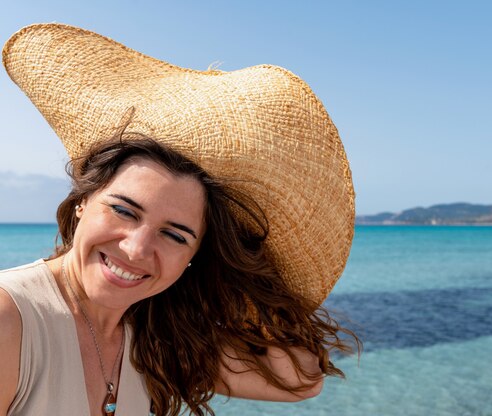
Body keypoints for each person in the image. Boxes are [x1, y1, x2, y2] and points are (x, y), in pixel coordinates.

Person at [0, 23, 357, 416]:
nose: (136, 248)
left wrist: (219, 288)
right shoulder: (10, 319)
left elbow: (301, 376)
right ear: (83, 200)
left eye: (175, 235)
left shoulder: (152, 337)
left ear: (196, 254)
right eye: (123, 210)